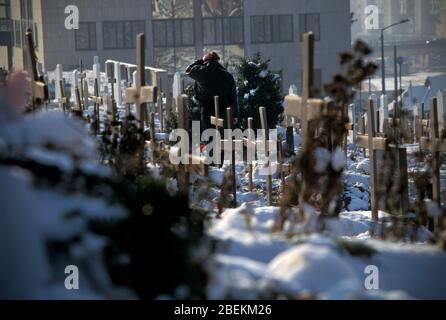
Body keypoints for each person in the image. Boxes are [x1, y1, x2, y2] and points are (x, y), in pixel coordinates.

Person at [186, 52, 239, 132]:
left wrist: (200, 61)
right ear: (217, 61)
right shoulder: (227, 76)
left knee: (209, 137)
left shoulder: (201, 72)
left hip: (206, 111)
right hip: (223, 111)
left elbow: (188, 70)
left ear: (205, 61)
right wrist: (234, 114)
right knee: (223, 138)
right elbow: (233, 97)